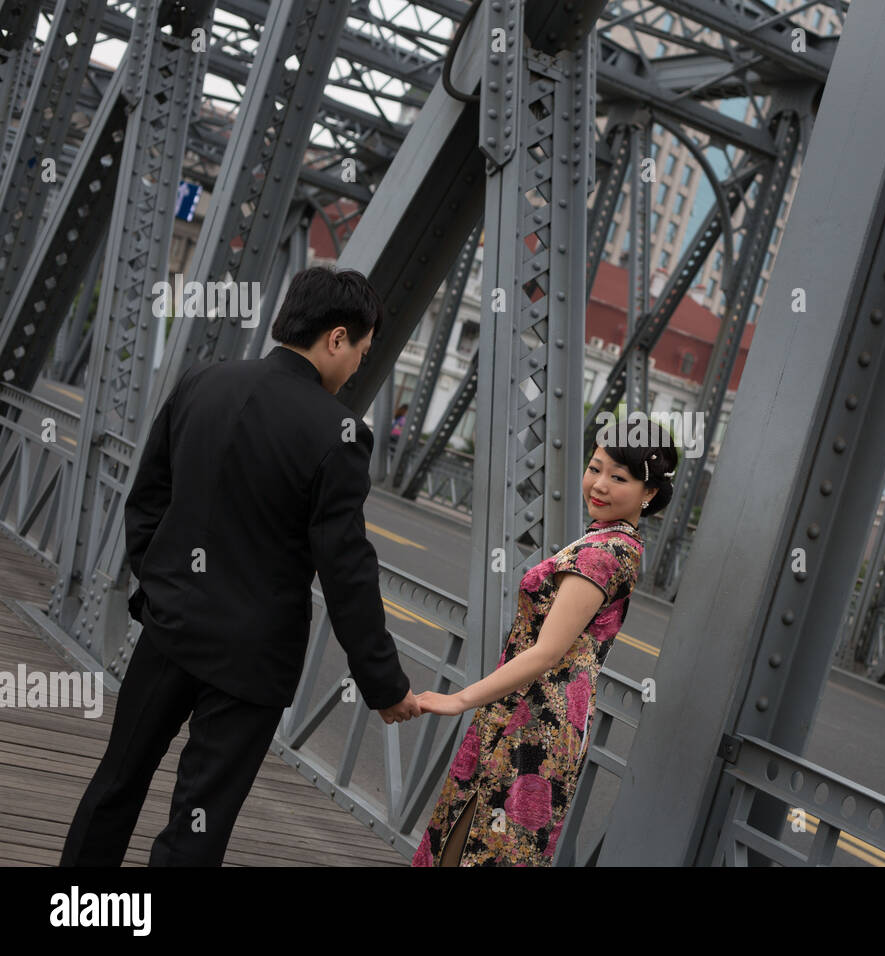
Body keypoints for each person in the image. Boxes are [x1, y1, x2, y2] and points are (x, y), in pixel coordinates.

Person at [60, 266, 424, 867]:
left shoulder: (204, 381)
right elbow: (347, 571)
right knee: (197, 821)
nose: (360, 363)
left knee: (117, 782)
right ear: (336, 339)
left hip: (170, 630)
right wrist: (384, 684)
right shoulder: (339, 434)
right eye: (362, 348)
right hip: (251, 661)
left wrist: (161, 589)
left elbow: (147, 497)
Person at [410, 435, 678, 866]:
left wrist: (458, 699)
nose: (600, 485)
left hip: (533, 721)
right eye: (595, 468)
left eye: (619, 477)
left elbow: (547, 652)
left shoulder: (603, 555)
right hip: (534, 713)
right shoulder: (611, 543)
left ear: (648, 494)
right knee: (472, 844)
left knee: (475, 847)